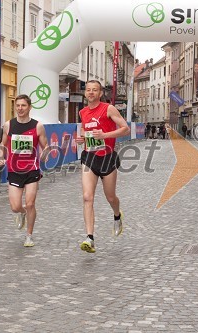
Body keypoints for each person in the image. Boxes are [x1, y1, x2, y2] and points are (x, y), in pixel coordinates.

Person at [75, 80, 130, 253]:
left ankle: (117, 215)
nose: (91, 93)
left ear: (100, 93)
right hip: (89, 157)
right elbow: (85, 130)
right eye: (88, 90)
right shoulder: (82, 112)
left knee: (110, 197)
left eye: (95, 90)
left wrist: (105, 135)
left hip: (107, 157)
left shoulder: (108, 109)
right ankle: (89, 238)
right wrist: (82, 138)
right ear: (86, 93)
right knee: (87, 197)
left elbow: (125, 129)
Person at [0, 94, 49, 247]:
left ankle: (29, 236)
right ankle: (22, 213)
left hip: (32, 169)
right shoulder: (9, 125)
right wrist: (1, 156)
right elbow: (3, 143)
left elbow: (44, 146)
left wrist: (45, 155)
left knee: (30, 203)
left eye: (23, 106)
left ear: (29, 107)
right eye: (18, 105)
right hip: (14, 169)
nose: (20, 108)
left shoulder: (37, 126)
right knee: (15, 206)